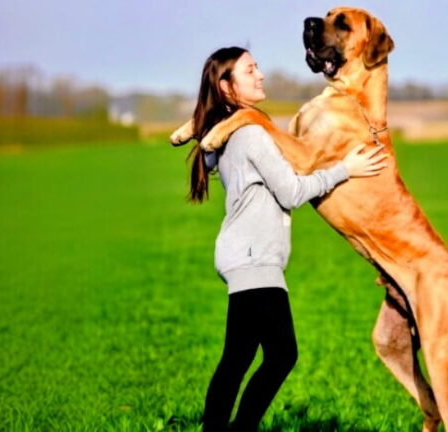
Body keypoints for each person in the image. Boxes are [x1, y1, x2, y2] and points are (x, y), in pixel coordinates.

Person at [184, 46, 386, 432]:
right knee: (280, 355)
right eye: (250, 70)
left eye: (257, 67)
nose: (260, 74)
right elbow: (292, 191)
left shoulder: (232, 134)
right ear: (227, 88)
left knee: (239, 357)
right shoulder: (251, 137)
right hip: (254, 257)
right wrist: (347, 169)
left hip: (245, 255)